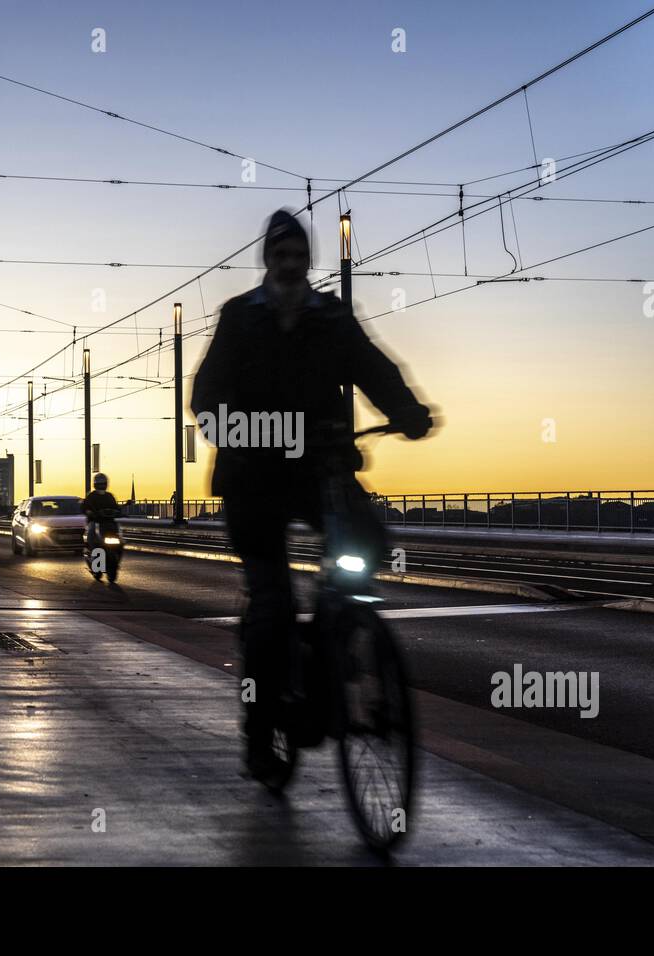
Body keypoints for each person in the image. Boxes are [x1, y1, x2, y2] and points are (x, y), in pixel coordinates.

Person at [191, 208, 433, 786]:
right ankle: (261, 728)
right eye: (281, 255)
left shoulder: (331, 317)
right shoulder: (239, 318)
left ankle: (341, 634)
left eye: (299, 256)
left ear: (308, 261)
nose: (291, 264)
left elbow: (373, 366)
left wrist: (406, 410)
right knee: (271, 606)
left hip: (319, 468)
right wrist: (238, 433)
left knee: (366, 541)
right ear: (268, 261)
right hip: (254, 477)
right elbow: (206, 395)